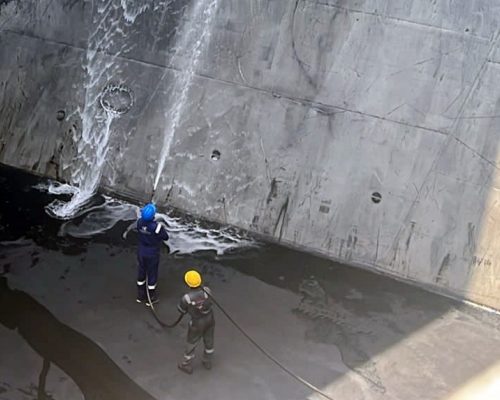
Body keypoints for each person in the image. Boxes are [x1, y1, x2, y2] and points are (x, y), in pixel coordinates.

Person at [177, 270, 215, 374]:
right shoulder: (207, 291)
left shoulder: (187, 298)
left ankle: (186, 365)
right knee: (209, 341)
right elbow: (210, 303)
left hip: (197, 324)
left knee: (191, 343)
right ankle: (207, 361)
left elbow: (181, 310)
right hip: (210, 319)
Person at [136, 203, 169, 306]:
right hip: (152, 253)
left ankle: (140, 296)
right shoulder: (157, 227)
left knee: (142, 271)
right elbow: (165, 237)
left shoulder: (139, 222)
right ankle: (151, 297)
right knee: (152, 273)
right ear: (153, 216)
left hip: (141, 251)